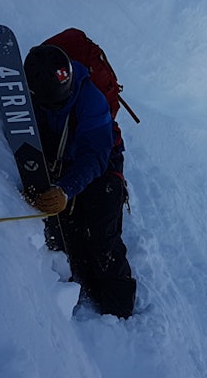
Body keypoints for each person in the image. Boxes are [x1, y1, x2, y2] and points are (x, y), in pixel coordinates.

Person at [23, 43, 137, 318]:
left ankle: (119, 308)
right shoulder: (35, 91)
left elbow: (96, 157)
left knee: (100, 236)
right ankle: (79, 278)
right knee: (70, 232)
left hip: (103, 165)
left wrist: (66, 189)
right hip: (63, 160)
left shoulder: (91, 100)